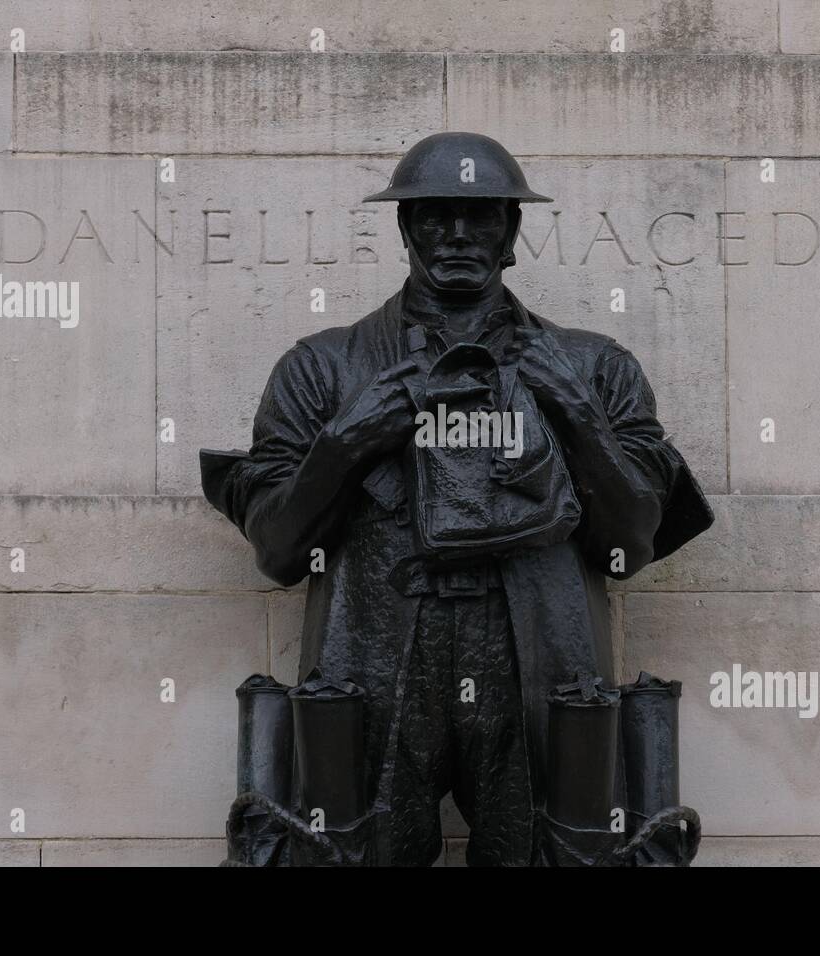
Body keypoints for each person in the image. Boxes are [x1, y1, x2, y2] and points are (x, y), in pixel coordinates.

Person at [201, 131, 713, 866]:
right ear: (406, 229)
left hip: (537, 660)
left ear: (512, 232)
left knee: (556, 853)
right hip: (374, 660)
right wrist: (347, 440)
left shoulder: (593, 368)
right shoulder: (324, 368)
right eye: (436, 215)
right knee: (353, 852)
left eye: (481, 218)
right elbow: (278, 551)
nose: (457, 235)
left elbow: (631, 545)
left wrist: (576, 415)